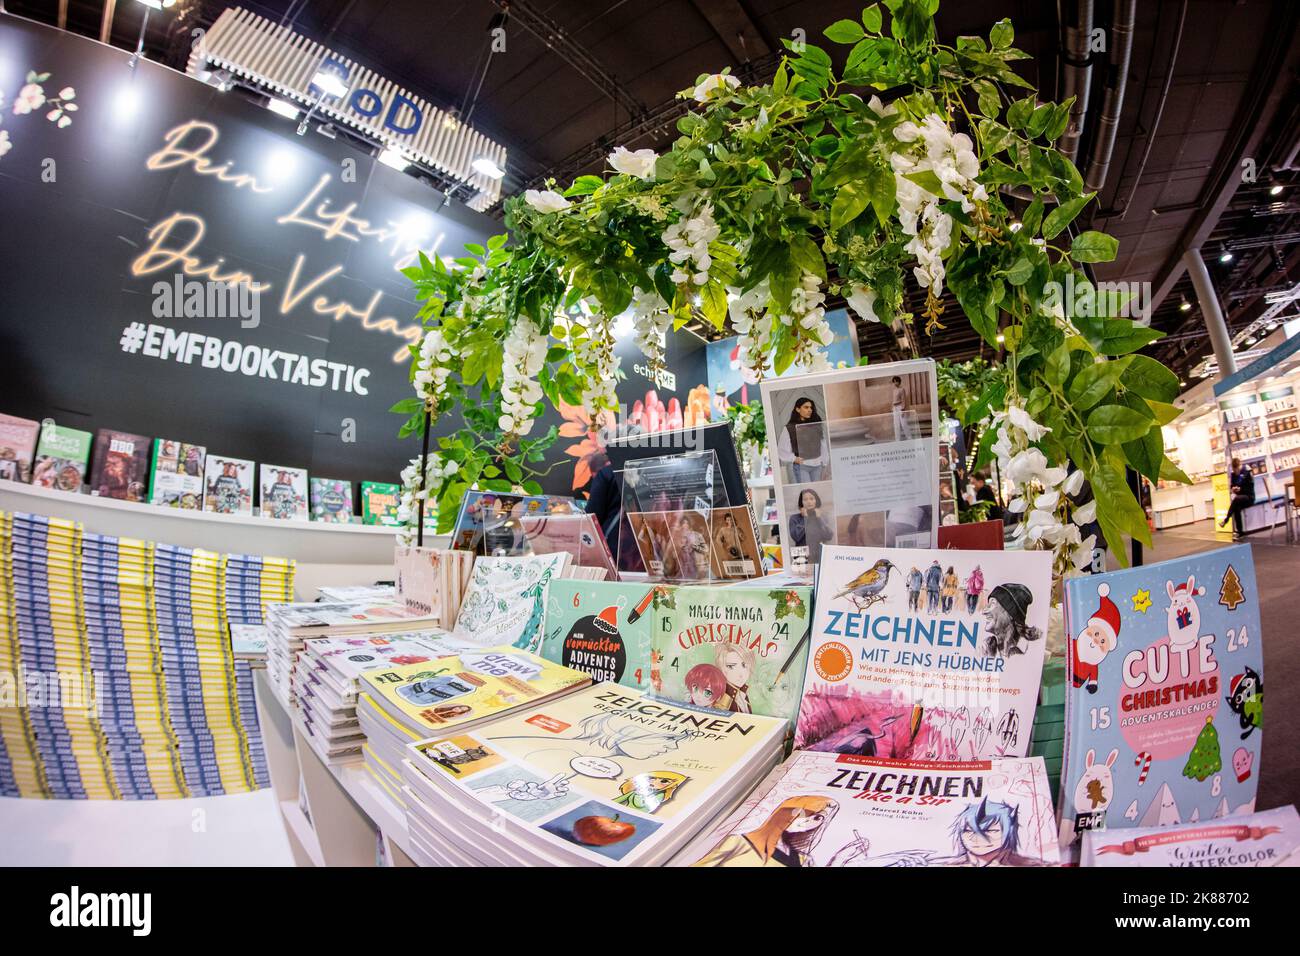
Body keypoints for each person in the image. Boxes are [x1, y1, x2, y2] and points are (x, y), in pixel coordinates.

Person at [778, 396, 826, 482]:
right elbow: (781, 449)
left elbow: (823, 444)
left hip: (817, 465)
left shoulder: (816, 425)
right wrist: (794, 459)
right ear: (798, 409)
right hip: (802, 466)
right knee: (806, 492)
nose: (810, 410)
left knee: (817, 491)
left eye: (811, 407)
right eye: (806, 407)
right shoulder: (789, 428)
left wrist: (824, 462)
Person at [788, 488, 833, 563]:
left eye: (811, 499)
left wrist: (819, 518)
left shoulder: (822, 516)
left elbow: (829, 536)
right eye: (805, 500)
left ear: (816, 501)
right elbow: (796, 537)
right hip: (801, 558)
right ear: (801, 503)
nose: (809, 502)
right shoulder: (794, 518)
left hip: (819, 556)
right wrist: (805, 518)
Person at [1219, 457, 1256, 537]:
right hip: (1240, 499)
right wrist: (1233, 488)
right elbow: (1232, 485)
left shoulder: (1247, 471)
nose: (1236, 472)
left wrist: (1241, 488)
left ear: (1240, 466)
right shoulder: (1233, 474)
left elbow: (1250, 486)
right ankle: (1240, 532)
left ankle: (1226, 520)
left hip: (1249, 497)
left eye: (1237, 469)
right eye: (1235, 470)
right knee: (1236, 508)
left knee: (1236, 499)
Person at [891, 375, 916, 440]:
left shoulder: (902, 389)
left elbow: (903, 400)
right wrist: (892, 408)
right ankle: (897, 439)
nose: (895, 383)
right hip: (895, 407)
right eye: (894, 382)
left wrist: (902, 409)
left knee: (903, 423)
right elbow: (893, 400)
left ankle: (909, 437)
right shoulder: (894, 390)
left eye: (896, 381)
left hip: (900, 407)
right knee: (896, 424)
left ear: (899, 382)